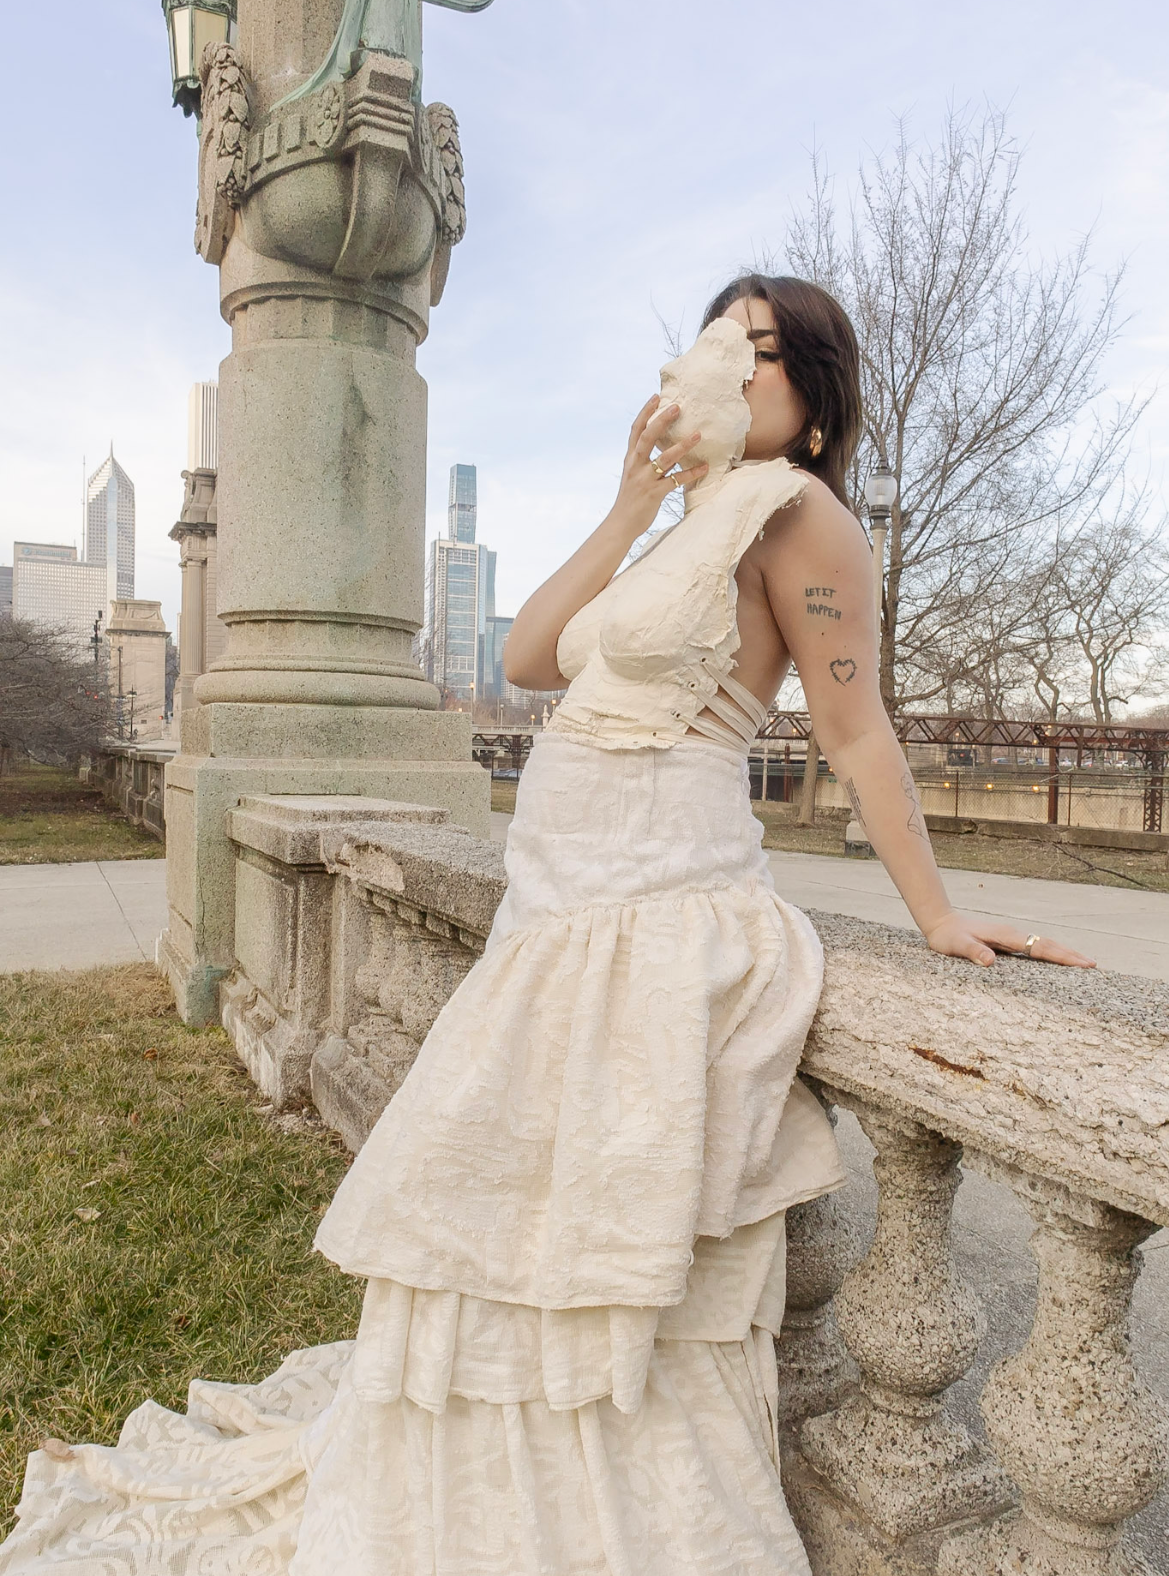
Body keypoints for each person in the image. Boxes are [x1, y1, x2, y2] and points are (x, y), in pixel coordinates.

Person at [0, 275, 1093, 1576]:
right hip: (557, 913)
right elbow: (529, 657)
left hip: (652, 903)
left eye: (759, 352)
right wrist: (633, 498)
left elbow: (855, 729)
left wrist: (941, 914)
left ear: (812, 402)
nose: (728, 369)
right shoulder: (687, 523)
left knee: (590, 1246)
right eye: (714, 344)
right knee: (493, 1228)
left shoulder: (803, 518)